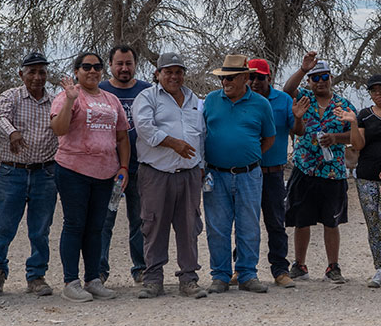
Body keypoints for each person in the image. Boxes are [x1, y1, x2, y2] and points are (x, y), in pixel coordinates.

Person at [50, 52, 131, 302]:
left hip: (105, 173)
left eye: (97, 67)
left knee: (97, 227)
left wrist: (124, 167)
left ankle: (93, 279)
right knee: (75, 224)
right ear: (77, 71)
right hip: (73, 170)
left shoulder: (111, 99)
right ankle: (71, 282)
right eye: (86, 67)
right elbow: (59, 129)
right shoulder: (67, 96)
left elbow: (122, 136)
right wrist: (69, 101)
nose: (92, 71)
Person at [130, 52, 207, 299]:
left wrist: (200, 165)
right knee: (153, 225)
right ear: (158, 74)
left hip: (189, 174)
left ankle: (189, 279)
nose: (174, 76)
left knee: (189, 226)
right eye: (168, 72)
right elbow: (145, 129)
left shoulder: (195, 100)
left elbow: (201, 134)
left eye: (179, 72)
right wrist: (174, 143)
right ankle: (153, 279)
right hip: (156, 173)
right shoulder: (147, 97)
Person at [0, 51, 58, 297]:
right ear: (21, 74)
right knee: (3, 227)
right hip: (12, 172)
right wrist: (13, 133)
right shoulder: (11, 96)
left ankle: (36, 275)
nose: (37, 77)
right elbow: (0, 118)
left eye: (42, 72)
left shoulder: (55, 101)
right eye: (32, 72)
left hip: (45, 173)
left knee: (40, 229)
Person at [201, 54, 275, 294]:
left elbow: (269, 138)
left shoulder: (261, 104)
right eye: (223, 78)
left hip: (248, 175)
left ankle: (247, 274)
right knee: (217, 227)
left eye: (231, 78)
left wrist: (248, 157)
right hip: (215, 175)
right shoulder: (210, 101)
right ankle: (220, 276)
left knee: (249, 226)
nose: (225, 82)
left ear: (245, 78)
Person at [281, 53, 356, 283]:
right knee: (301, 220)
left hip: (332, 172)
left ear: (331, 78)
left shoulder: (344, 105)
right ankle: (299, 265)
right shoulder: (304, 98)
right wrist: (303, 69)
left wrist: (336, 138)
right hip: (304, 169)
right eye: (315, 78)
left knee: (331, 221)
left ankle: (333, 266)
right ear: (309, 81)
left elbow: (355, 135)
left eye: (324, 77)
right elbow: (287, 90)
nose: (320, 81)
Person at [340, 74, 381, 290]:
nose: (378, 93)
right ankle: (379, 268)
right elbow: (358, 145)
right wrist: (353, 124)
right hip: (367, 176)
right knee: (373, 224)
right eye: (373, 90)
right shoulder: (364, 115)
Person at [247, 58, 308, 288]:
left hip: (272, 173)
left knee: (275, 223)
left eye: (260, 77)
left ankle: (280, 270)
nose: (255, 81)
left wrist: (298, 117)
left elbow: (298, 131)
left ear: (269, 78)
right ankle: (242, 269)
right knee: (246, 223)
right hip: (247, 173)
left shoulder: (283, 100)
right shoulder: (242, 99)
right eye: (251, 77)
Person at [98, 45, 153, 284]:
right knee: (104, 221)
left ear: (135, 65)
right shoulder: (100, 90)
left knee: (140, 221)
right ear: (110, 65)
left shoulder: (147, 91)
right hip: (109, 169)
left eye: (128, 63)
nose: (124, 68)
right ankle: (98, 270)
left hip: (140, 167)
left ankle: (141, 268)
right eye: (119, 63)